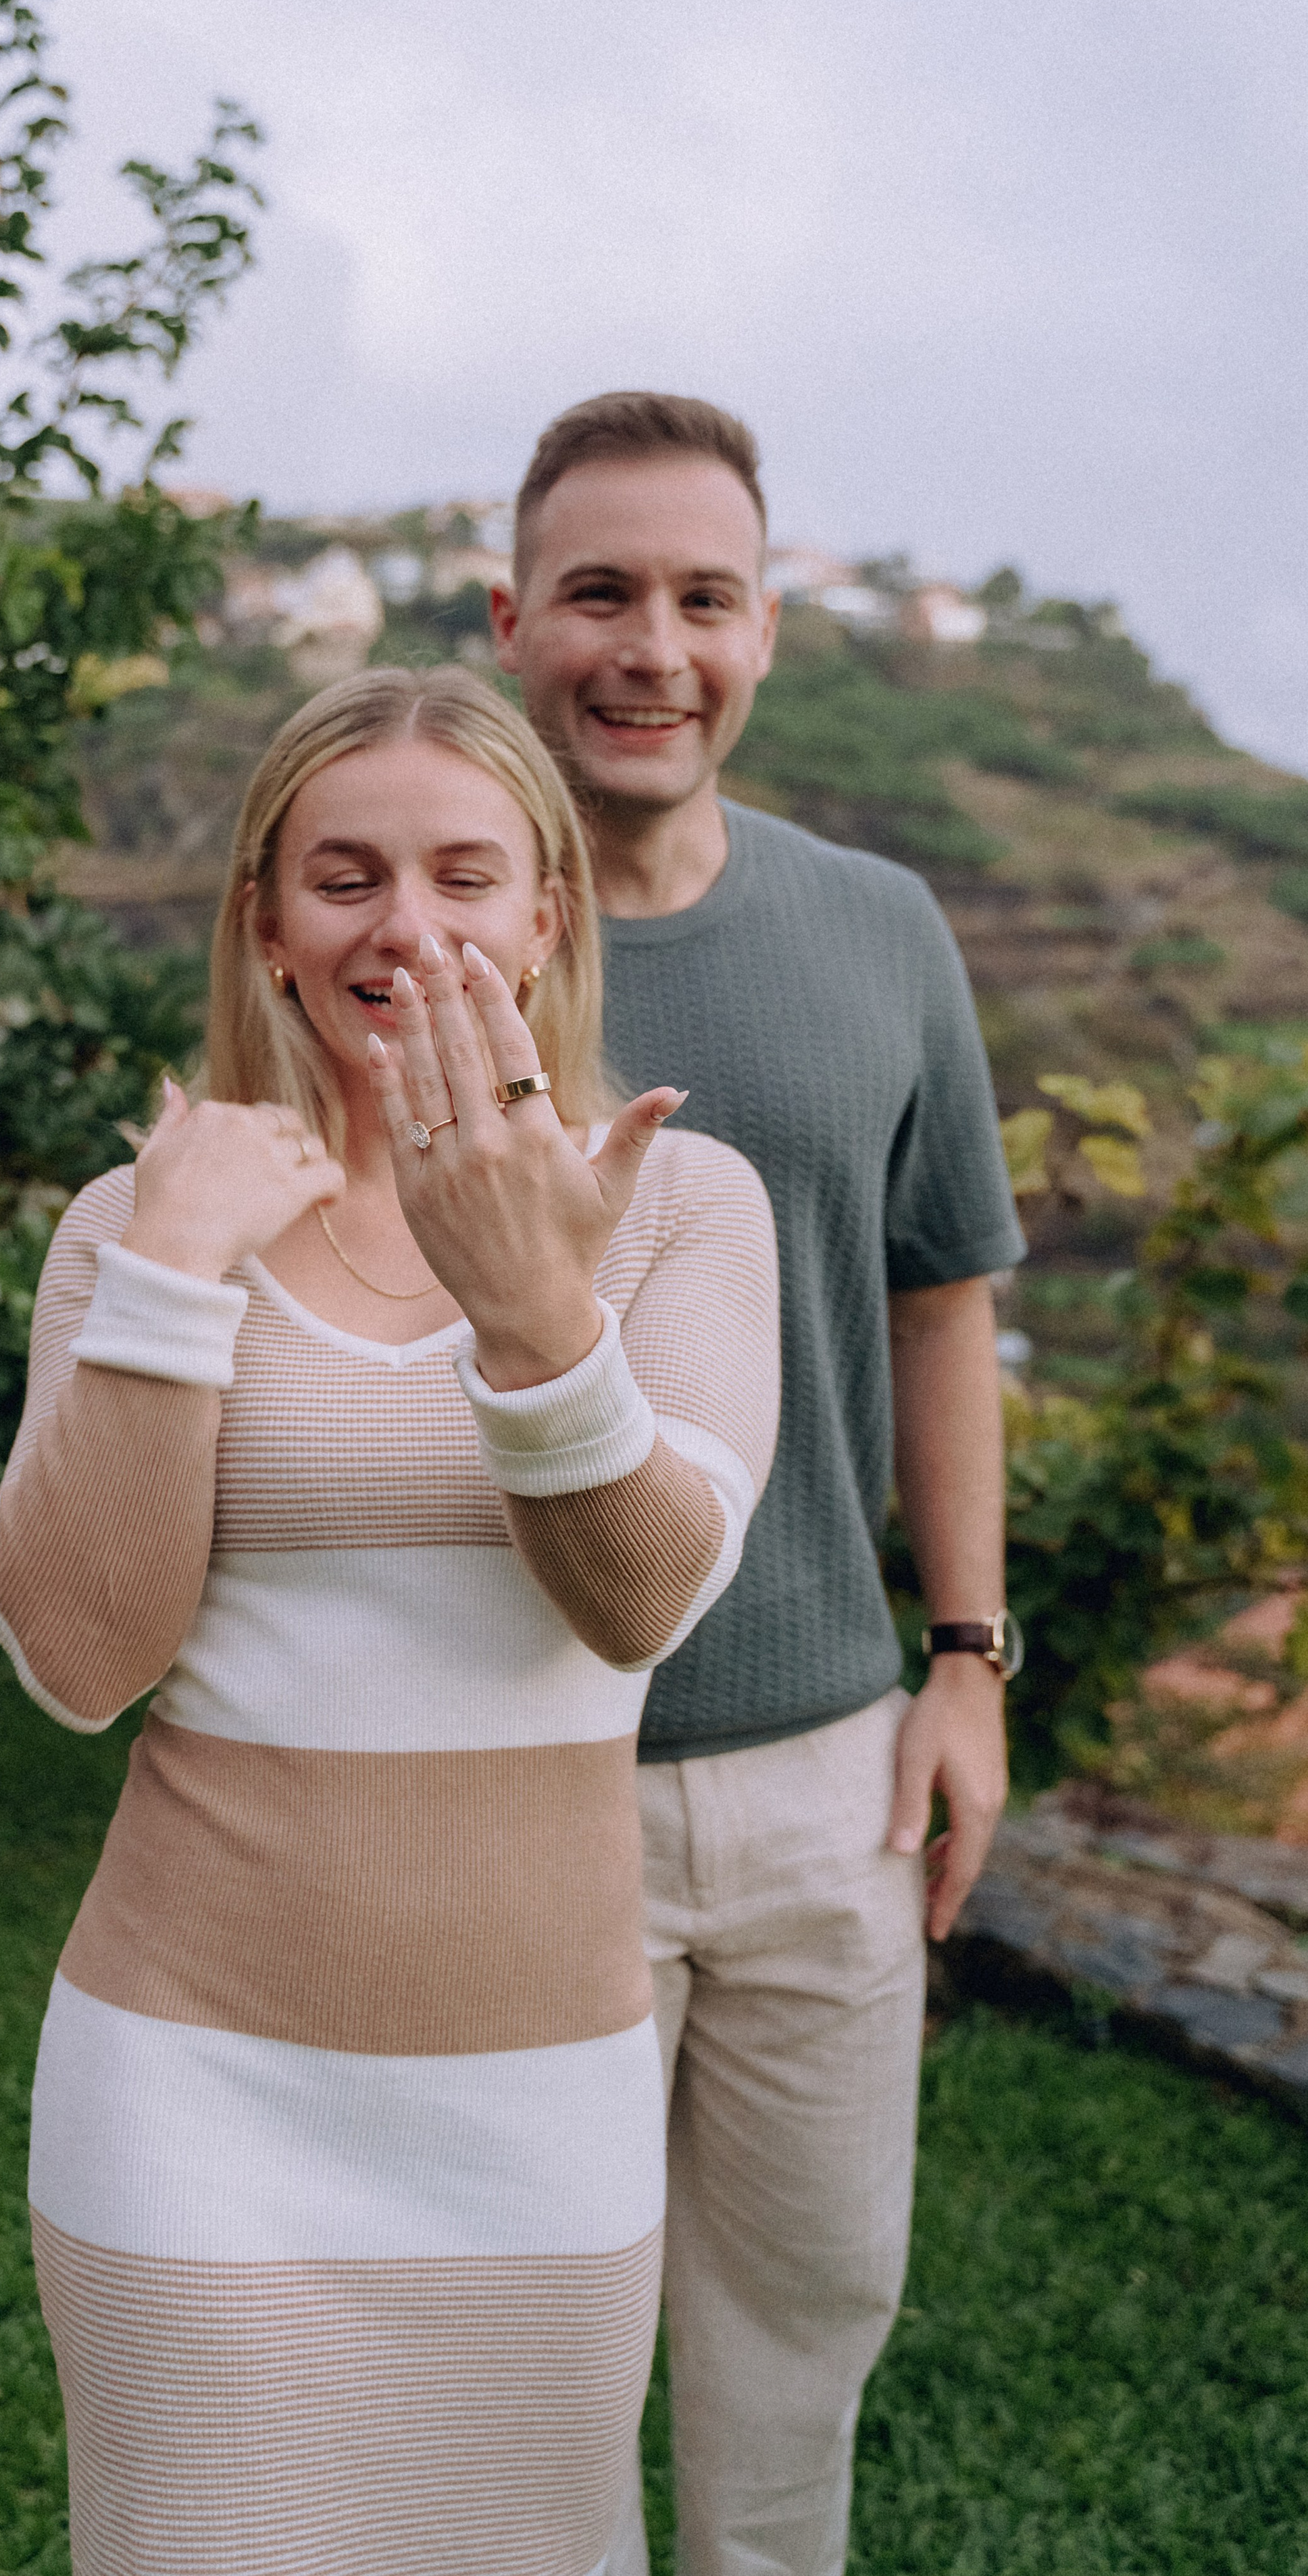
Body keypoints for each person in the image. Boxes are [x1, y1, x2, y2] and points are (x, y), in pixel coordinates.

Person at [0, 665, 781, 2576]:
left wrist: (535, 1314)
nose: (404, 926)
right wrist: (175, 1274)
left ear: (548, 909)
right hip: (190, 2088)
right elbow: (82, 1660)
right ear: (266, 917)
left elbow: (640, 1594)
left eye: (463, 875)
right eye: (343, 876)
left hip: (535, 2107)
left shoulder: (679, 1211)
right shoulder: (136, 1217)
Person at [490, 394, 1026, 2576]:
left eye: (701, 597)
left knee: (802, 2334)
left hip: (828, 1777)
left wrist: (972, 1659)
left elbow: (939, 1307)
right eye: (601, 592)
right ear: (512, 616)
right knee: (540, 2350)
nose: (652, 645)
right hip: (521, 1773)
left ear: (767, 629)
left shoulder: (882, 924)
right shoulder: (433, 930)